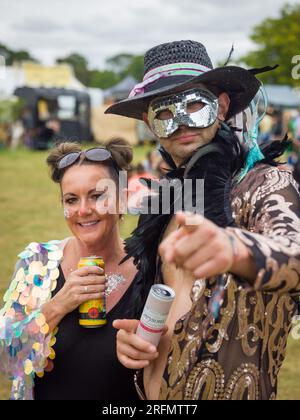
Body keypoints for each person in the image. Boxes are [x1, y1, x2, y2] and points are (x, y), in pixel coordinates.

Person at [106, 40, 300, 400]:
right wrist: (138, 342)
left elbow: (295, 253)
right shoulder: (166, 205)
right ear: (150, 123)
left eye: (194, 104)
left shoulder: (267, 185)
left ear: (222, 107)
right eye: (165, 112)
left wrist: (234, 249)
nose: (181, 123)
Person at [0, 138, 139, 400]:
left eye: (97, 196)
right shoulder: (37, 264)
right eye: (71, 200)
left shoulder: (149, 268)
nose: (83, 210)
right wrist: (59, 304)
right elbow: (5, 358)